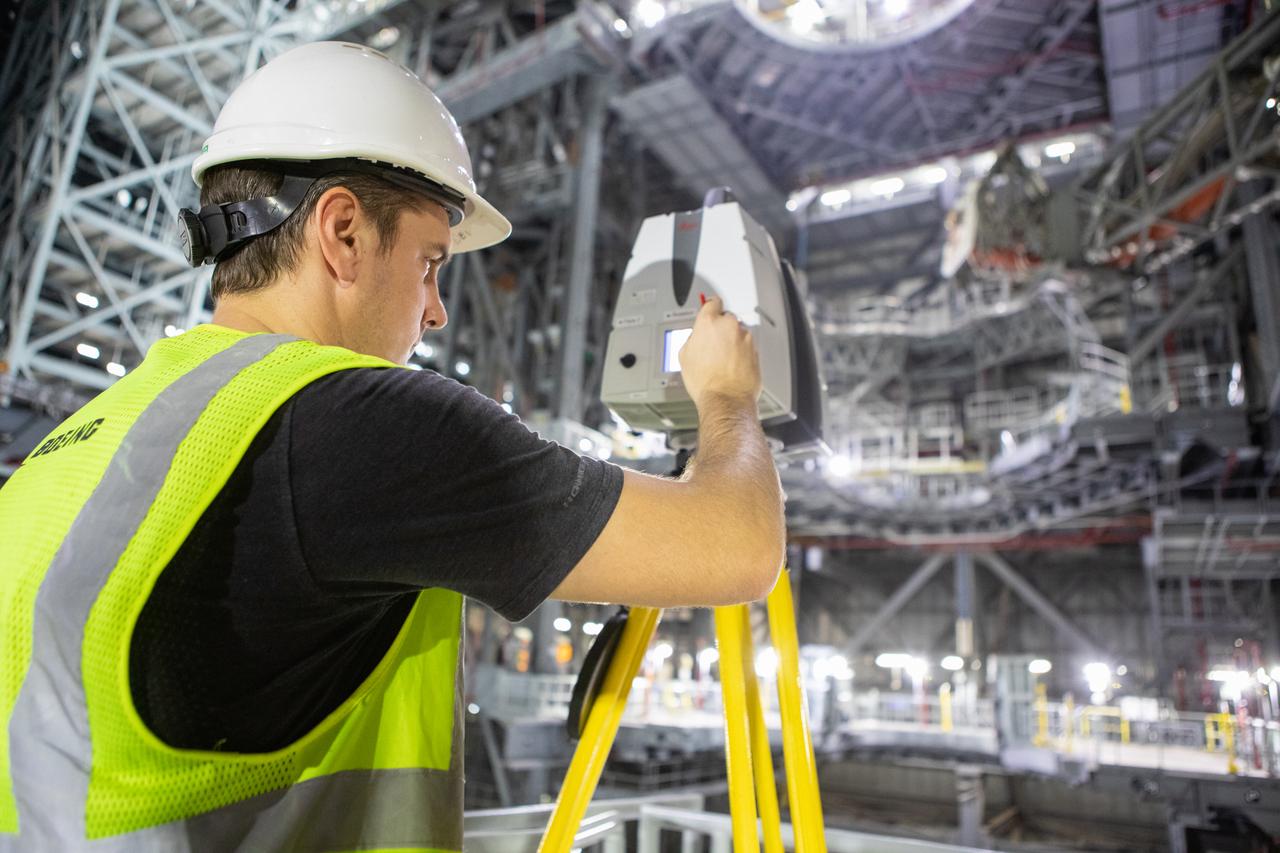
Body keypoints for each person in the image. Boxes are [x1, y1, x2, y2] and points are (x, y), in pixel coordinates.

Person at [0, 41, 784, 852]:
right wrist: (727, 398)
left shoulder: (78, 444)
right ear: (342, 232)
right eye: (430, 263)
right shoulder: (358, 421)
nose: (437, 310)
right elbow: (740, 545)